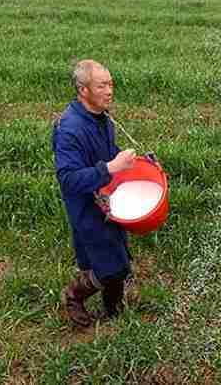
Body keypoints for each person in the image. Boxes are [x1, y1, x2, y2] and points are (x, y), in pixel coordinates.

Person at [52, 59, 136, 327]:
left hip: (107, 199)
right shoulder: (69, 129)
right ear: (83, 90)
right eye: (101, 85)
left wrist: (134, 162)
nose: (109, 90)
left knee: (120, 257)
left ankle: (114, 309)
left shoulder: (103, 118)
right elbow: (68, 179)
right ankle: (73, 296)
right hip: (86, 207)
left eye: (111, 84)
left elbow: (106, 152)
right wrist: (111, 167)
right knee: (110, 266)